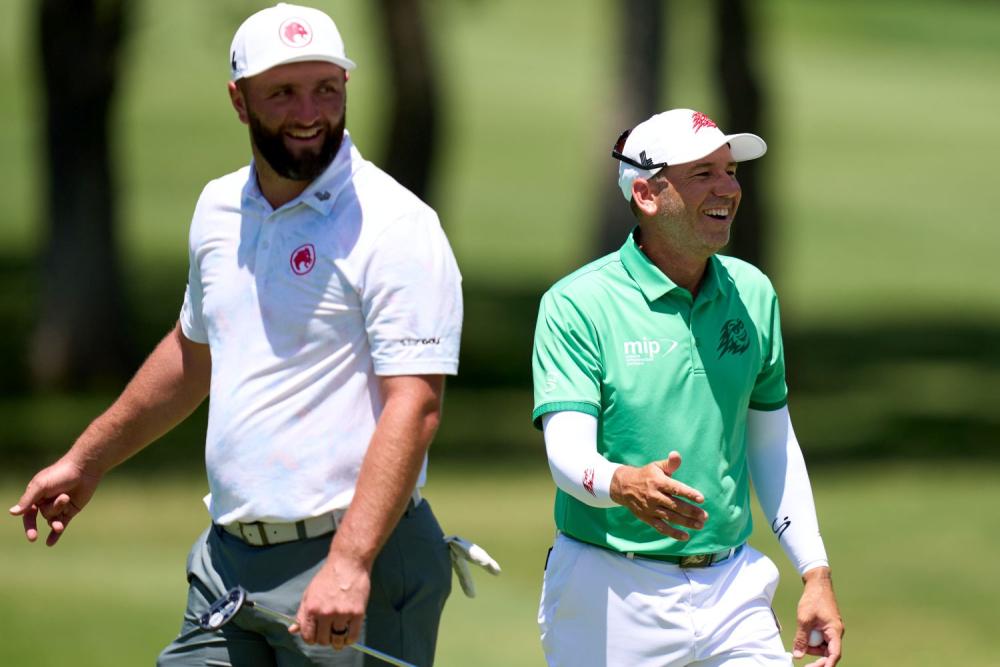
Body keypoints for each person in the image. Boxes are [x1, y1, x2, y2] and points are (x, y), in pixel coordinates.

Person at [10, 4, 463, 666]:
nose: (309, 111)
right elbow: (194, 354)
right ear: (239, 100)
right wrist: (88, 458)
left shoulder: (396, 225)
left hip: (357, 557)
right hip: (229, 560)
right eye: (282, 92)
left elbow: (415, 404)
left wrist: (350, 561)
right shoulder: (220, 208)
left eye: (326, 88)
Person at [531, 109, 844, 667]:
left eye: (729, 170)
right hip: (609, 588)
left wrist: (814, 570)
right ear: (648, 195)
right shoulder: (577, 305)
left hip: (733, 588)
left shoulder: (753, 293)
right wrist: (622, 483)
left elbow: (771, 444)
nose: (728, 187)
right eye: (703, 174)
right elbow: (565, 455)